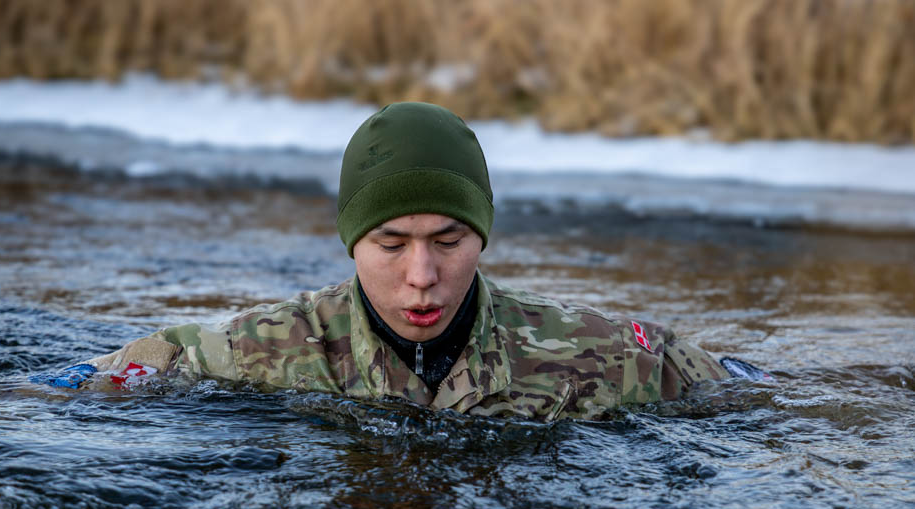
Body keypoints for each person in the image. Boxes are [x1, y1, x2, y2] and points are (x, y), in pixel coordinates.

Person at [39, 102, 732, 420]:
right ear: (352, 242)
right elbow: (91, 379)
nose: (422, 276)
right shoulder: (266, 349)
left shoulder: (598, 355)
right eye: (392, 245)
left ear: (483, 237)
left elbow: (756, 396)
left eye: (450, 242)